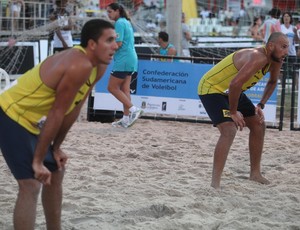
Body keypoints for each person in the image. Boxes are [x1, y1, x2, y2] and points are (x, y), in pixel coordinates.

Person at [0, 19, 118, 229]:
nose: (115, 46)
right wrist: (37, 161)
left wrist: (56, 147)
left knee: (56, 171)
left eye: (115, 40)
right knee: (31, 184)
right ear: (92, 44)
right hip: (10, 112)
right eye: (109, 40)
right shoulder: (78, 64)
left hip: (31, 121)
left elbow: (73, 109)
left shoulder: (98, 67)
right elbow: (56, 113)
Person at [198, 32, 289, 189]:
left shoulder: (276, 59)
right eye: (284, 47)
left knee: (258, 124)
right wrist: (233, 112)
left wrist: (260, 105)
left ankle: (255, 174)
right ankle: (215, 184)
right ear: (270, 46)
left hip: (233, 91)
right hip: (212, 88)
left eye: (287, 47)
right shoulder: (258, 57)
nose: (286, 51)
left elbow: (273, 82)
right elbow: (234, 84)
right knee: (229, 130)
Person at [106, 3, 143, 128]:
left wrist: (106, 51)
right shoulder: (126, 22)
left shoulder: (120, 23)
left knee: (112, 88)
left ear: (117, 11)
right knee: (125, 89)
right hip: (131, 58)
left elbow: (119, 43)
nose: (108, 15)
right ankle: (126, 119)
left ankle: (133, 110)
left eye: (110, 12)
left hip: (124, 59)